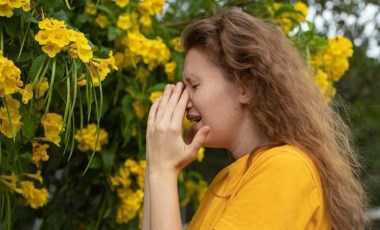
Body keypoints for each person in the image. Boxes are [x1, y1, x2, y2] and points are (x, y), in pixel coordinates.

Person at [142, 8, 368, 230]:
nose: (185, 100)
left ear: (245, 86)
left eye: (194, 85)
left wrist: (164, 171)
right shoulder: (226, 181)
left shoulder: (285, 169)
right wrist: (156, 167)